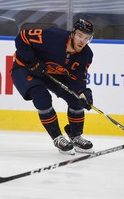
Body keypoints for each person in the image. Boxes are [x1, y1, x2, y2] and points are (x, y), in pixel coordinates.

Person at [11, 18, 95, 155]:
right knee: (42, 97)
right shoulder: (52, 37)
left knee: (76, 99)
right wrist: (32, 61)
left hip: (51, 74)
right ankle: (57, 138)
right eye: (80, 35)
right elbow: (22, 37)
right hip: (25, 68)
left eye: (86, 38)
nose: (82, 41)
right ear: (73, 33)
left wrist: (82, 92)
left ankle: (75, 136)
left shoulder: (86, 55)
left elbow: (78, 78)